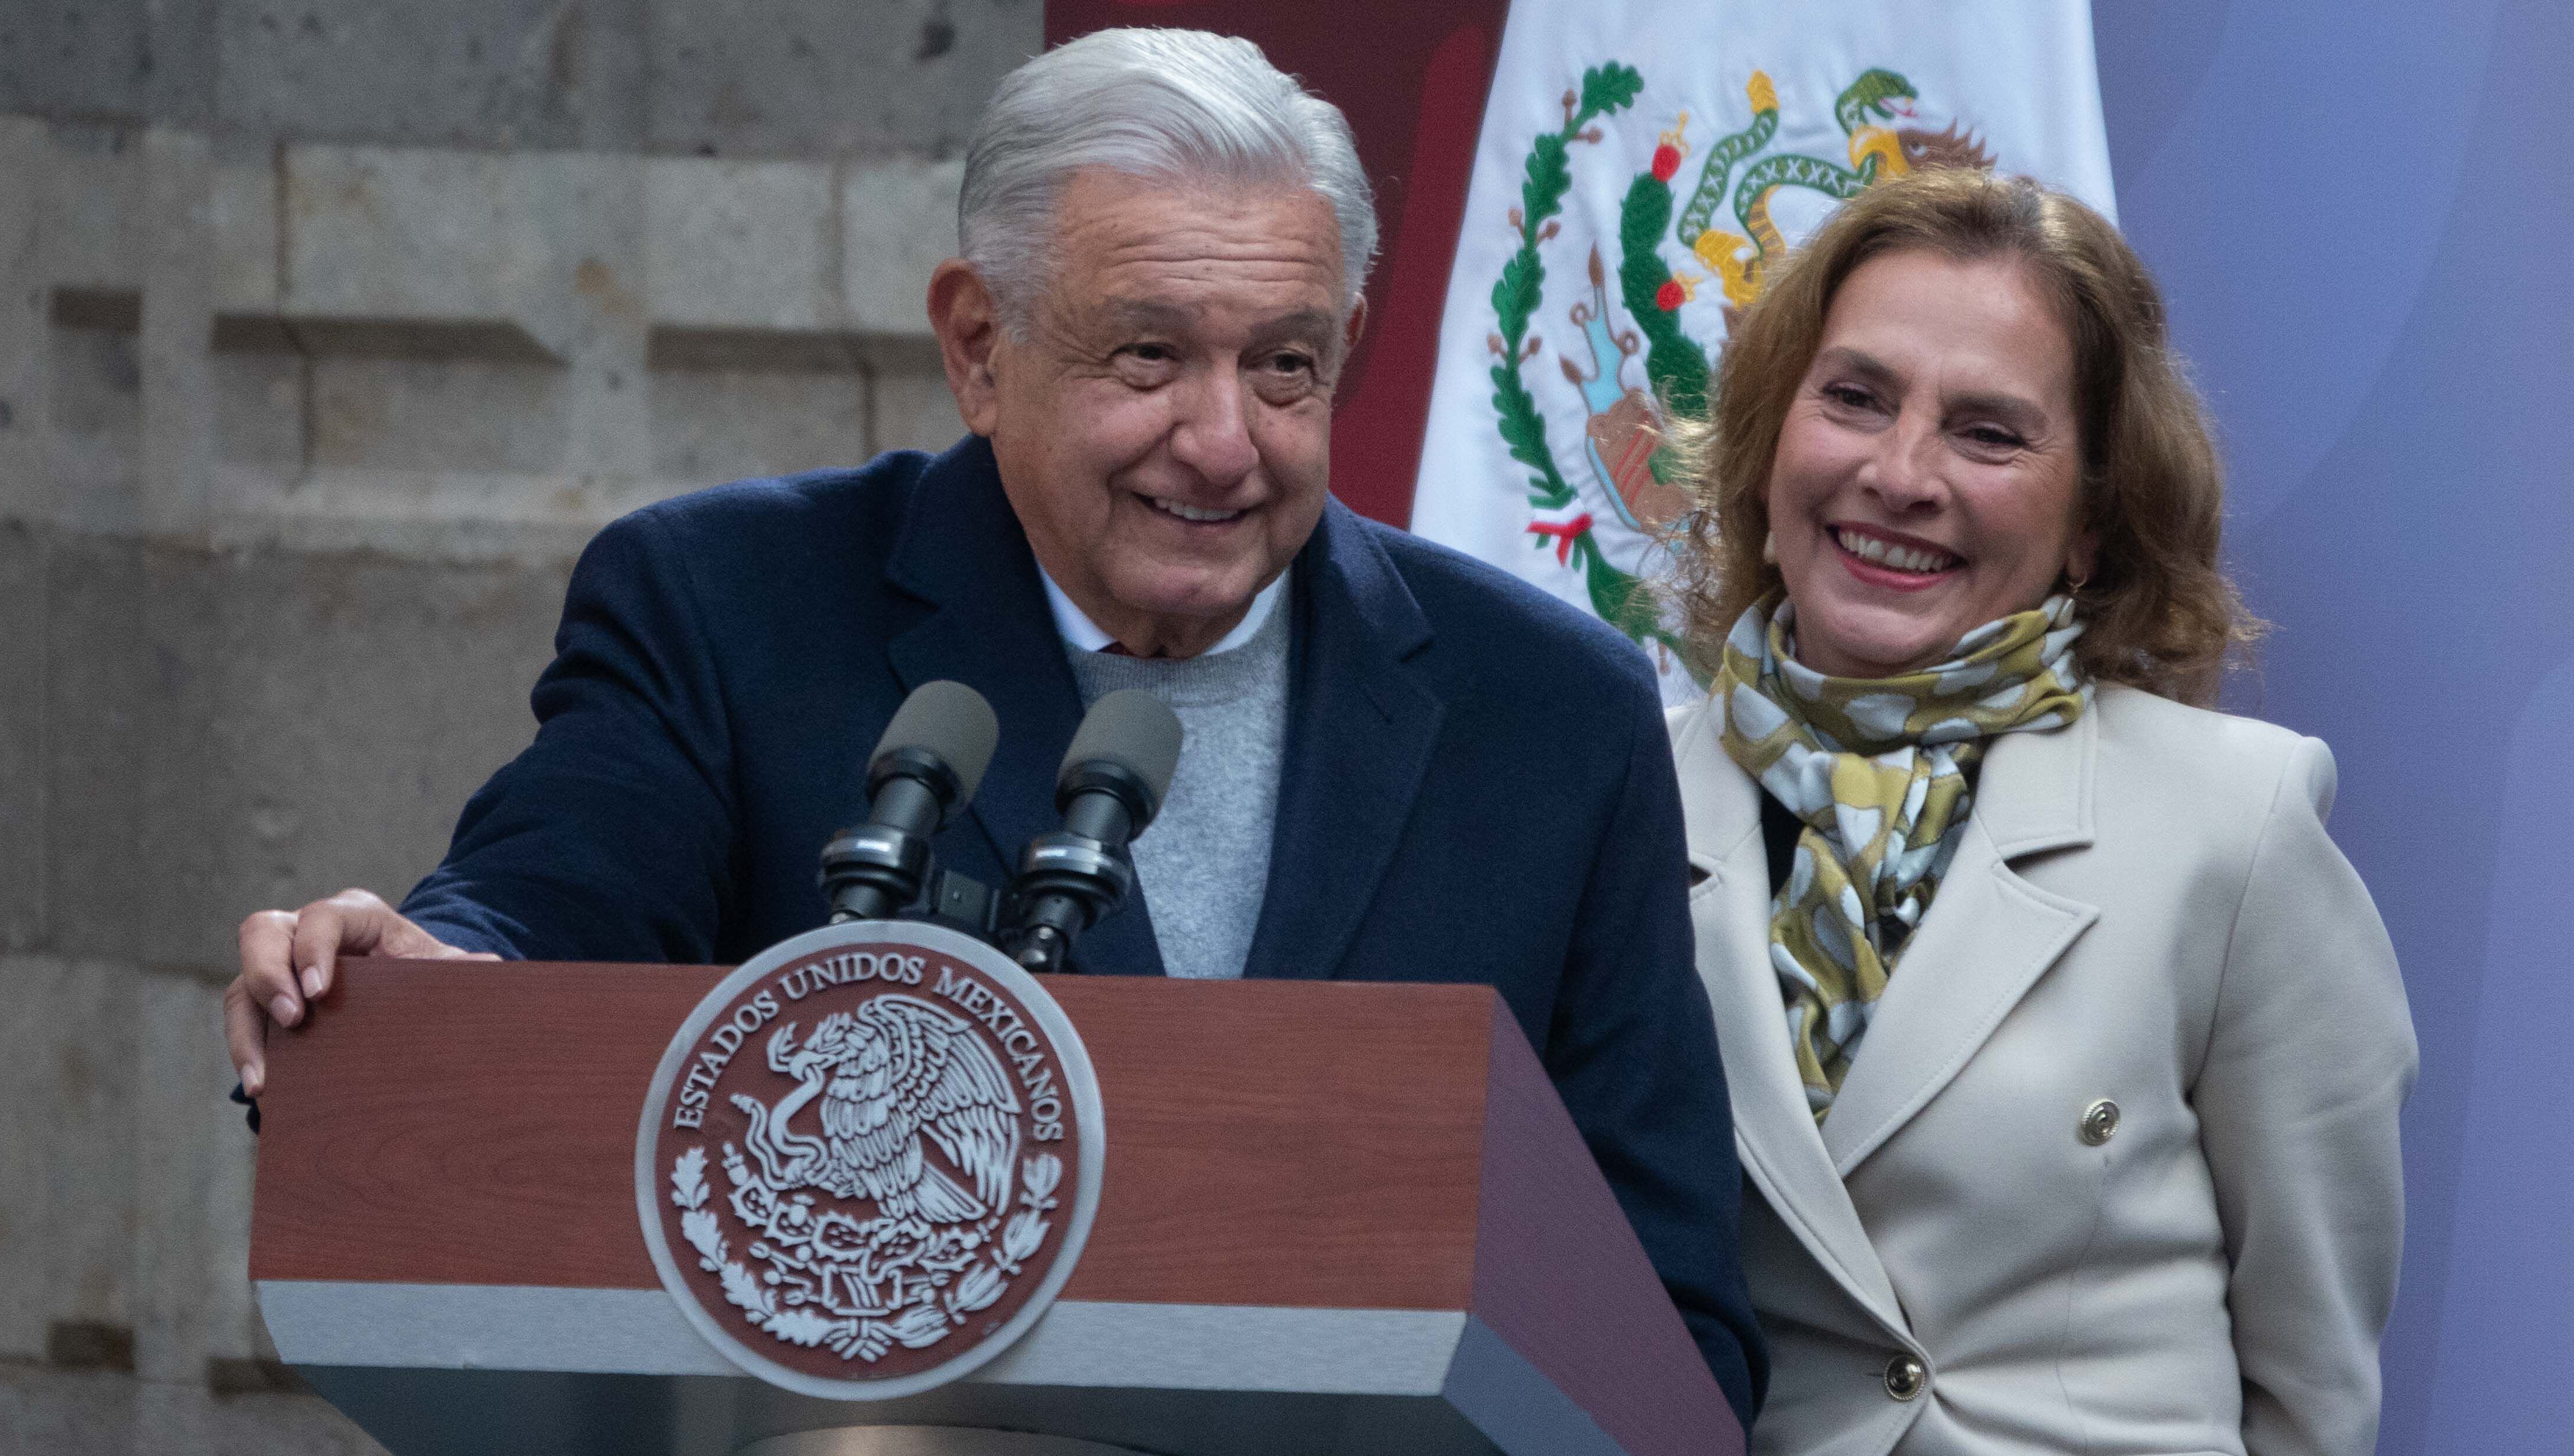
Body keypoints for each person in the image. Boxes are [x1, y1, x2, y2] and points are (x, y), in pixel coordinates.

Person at [221, 27, 1767, 1423]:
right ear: (978, 345)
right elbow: (553, 887)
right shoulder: (732, 603)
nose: (1224, 441)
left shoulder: (1552, 711)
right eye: (1148, 354)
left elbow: (1670, 1319)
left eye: (1284, 365)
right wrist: (434, 983)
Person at [1663, 168, 2414, 1454]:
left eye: (1988, 433)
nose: (1898, 475)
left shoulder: (2234, 824)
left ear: (2088, 522)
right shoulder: (1611, 800)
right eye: (1852, 399)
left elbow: (2315, 1394)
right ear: (1765, 439)